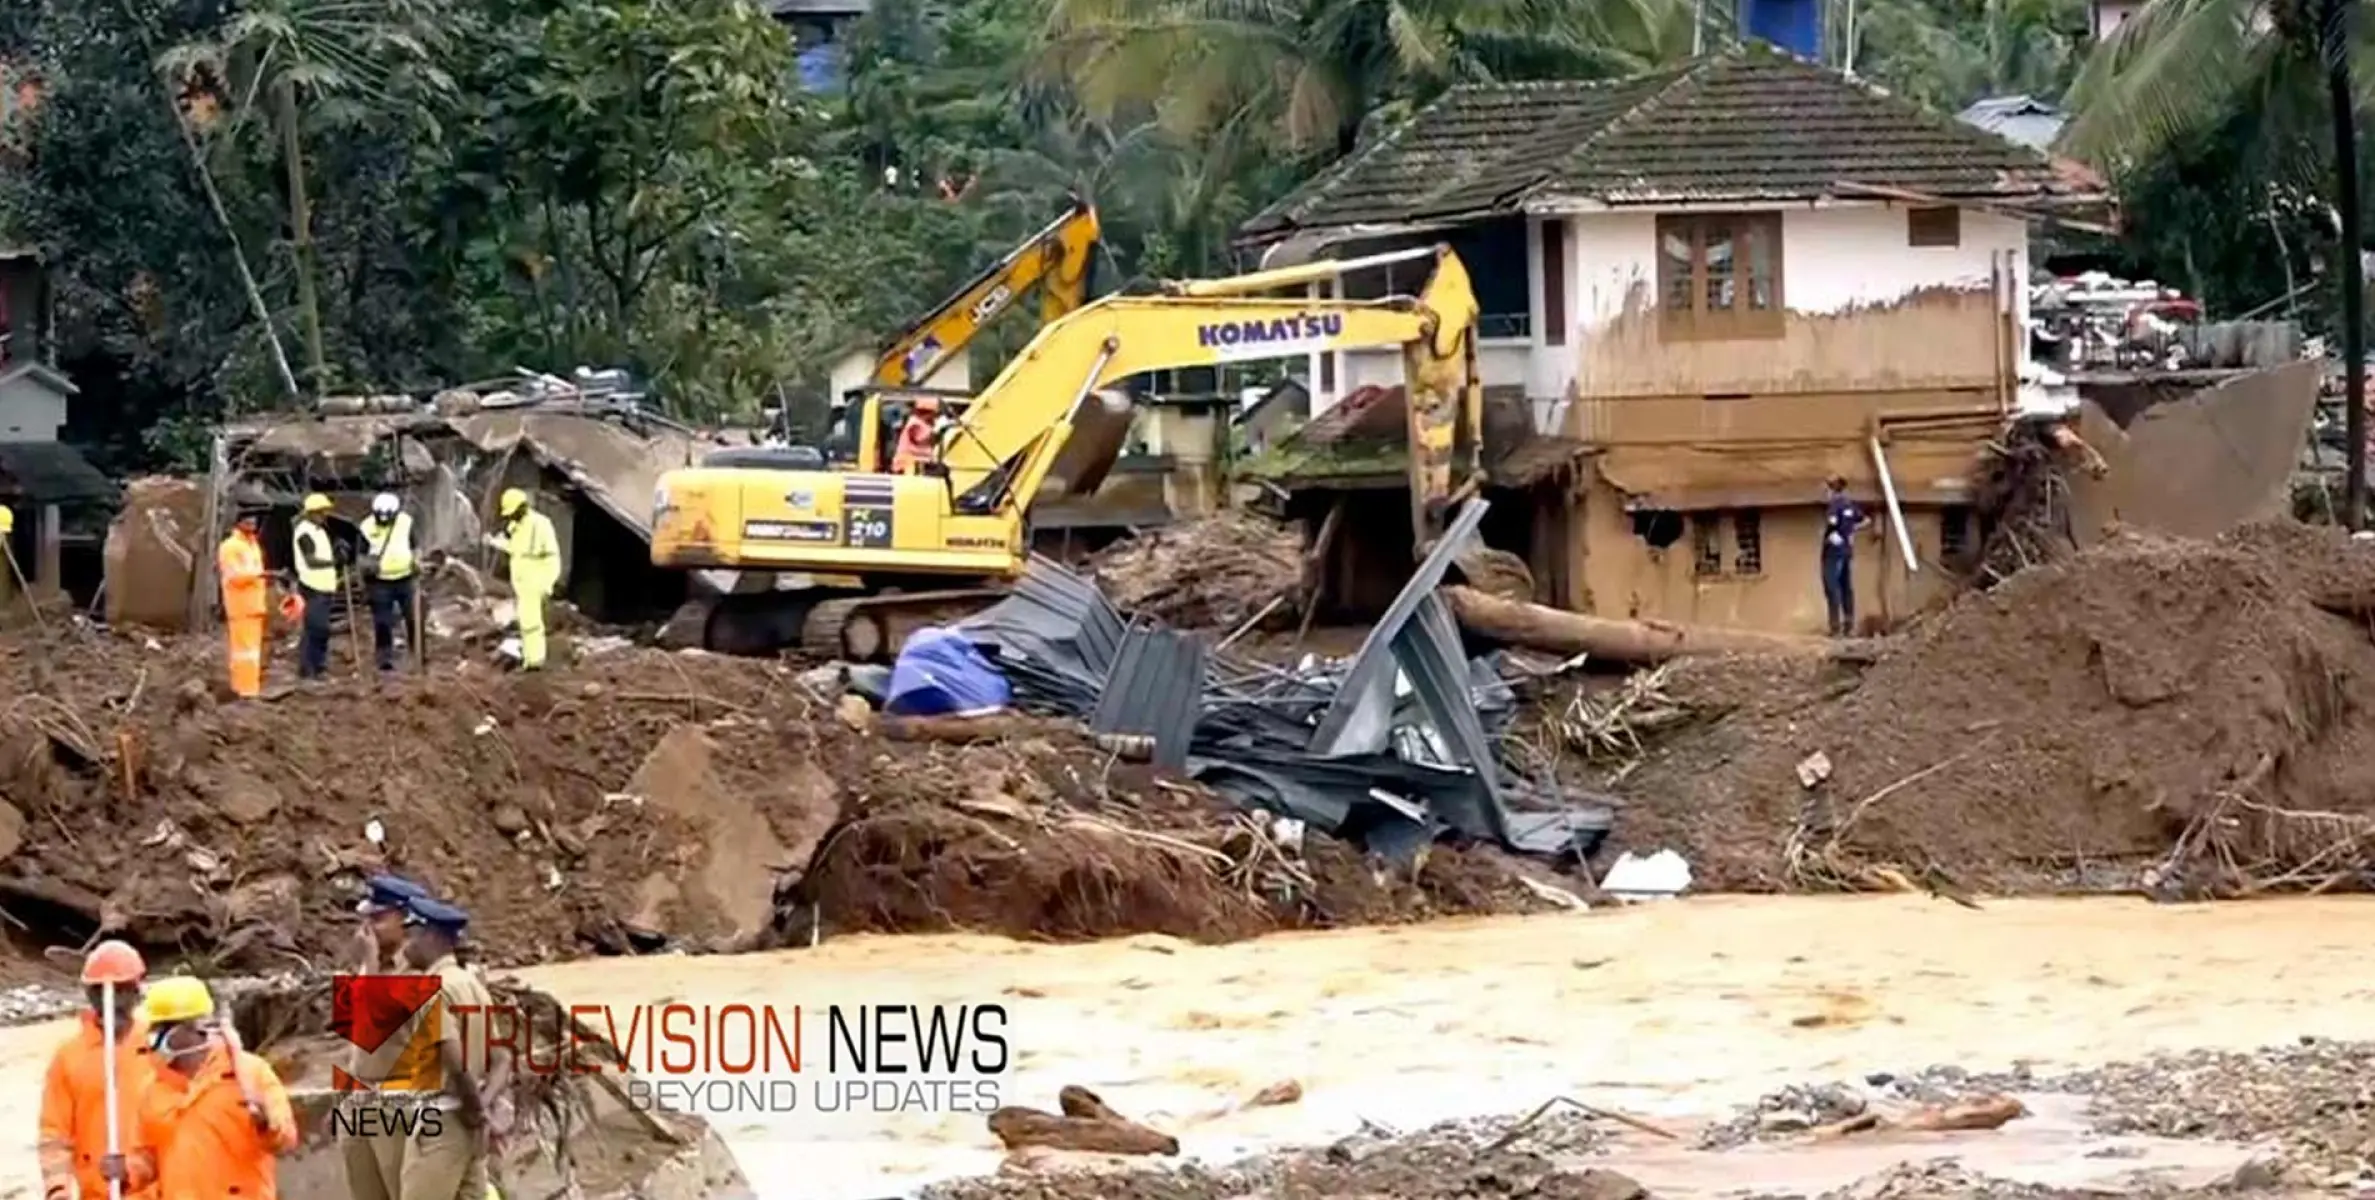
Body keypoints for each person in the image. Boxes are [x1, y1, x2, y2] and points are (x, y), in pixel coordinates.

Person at [131, 976, 299, 1200]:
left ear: (193, 1028)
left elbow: (285, 1139)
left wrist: (267, 1124)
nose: (150, 1035)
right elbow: (147, 1158)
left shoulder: (251, 1074)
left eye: (160, 1027)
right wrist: (127, 1172)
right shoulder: (152, 1089)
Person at [398, 898, 509, 1200]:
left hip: (442, 1123)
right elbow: (502, 1059)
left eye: (412, 935)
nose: (405, 944)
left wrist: (475, 1110)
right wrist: (482, 1107)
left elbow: (454, 1062)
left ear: (431, 936)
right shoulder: (472, 986)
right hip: (467, 1124)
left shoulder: (432, 989)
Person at [341, 875, 437, 1200]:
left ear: (407, 919)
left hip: (400, 1100)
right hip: (362, 1097)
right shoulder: (374, 969)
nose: (368, 929)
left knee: (402, 1190)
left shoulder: (418, 969)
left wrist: (367, 964)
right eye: (366, 919)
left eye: (379, 919)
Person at [39, 940, 154, 1200]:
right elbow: (54, 1133)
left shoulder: (159, 1049)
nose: (112, 1001)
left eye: (122, 990)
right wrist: (58, 1187)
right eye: (99, 991)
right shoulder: (68, 1057)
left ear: (137, 992)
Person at [485, 489, 561, 672]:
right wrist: (495, 542)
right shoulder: (518, 526)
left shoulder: (539, 524)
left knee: (532, 622)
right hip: (523, 582)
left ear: (522, 507)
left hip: (535, 580)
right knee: (526, 621)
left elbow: (541, 554)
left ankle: (534, 661)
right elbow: (515, 548)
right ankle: (529, 657)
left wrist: (546, 582)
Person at [358, 493, 420, 674]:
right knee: (383, 621)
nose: (384, 521)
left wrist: (417, 560)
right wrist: (367, 567)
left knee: (413, 617)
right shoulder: (366, 527)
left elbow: (415, 546)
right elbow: (361, 555)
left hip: (405, 578)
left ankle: (417, 653)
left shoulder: (406, 522)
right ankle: (384, 658)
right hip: (380, 582)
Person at [216, 514, 270, 698]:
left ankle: (251, 688)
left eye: (254, 520)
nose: (252, 524)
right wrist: (260, 575)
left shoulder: (252, 545)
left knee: (252, 653)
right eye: (248, 520)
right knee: (243, 653)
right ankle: (243, 689)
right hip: (240, 606)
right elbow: (235, 576)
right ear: (238, 522)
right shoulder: (230, 547)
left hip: (254, 605)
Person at [292, 493, 341, 681]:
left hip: (324, 586)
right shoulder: (304, 531)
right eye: (321, 512)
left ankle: (317, 667)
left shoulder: (318, 530)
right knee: (316, 628)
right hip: (312, 587)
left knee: (320, 629)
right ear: (311, 513)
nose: (325, 515)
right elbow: (311, 560)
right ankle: (310, 669)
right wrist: (333, 562)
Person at [1821, 476, 1871, 638]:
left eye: (1826, 490)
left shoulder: (1834, 505)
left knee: (1831, 586)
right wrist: (1851, 530)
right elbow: (1866, 520)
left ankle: (1835, 627)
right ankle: (1849, 626)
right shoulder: (1849, 504)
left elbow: (1832, 523)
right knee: (1846, 588)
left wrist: (1835, 535)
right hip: (1847, 550)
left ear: (1830, 490)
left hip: (1833, 551)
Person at [890, 398, 940, 474]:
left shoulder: (924, 423)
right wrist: (935, 433)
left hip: (918, 462)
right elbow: (920, 438)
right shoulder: (915, 423)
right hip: (908, 463)